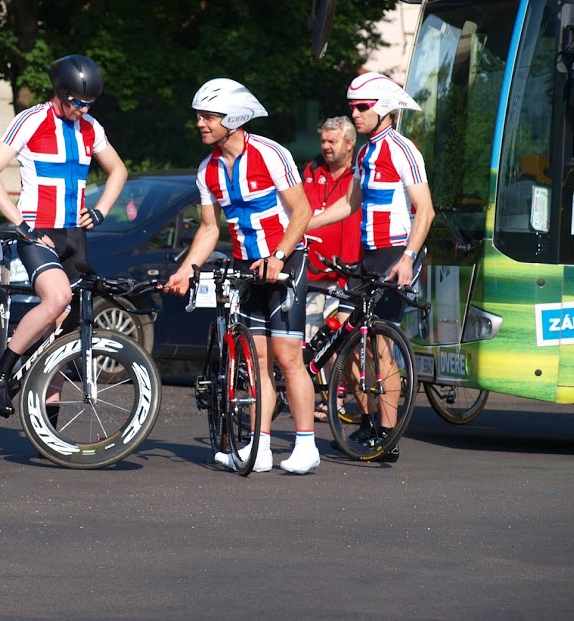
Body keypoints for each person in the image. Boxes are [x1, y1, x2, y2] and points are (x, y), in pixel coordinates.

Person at [165, 78, 318, 475]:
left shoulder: (270, 154)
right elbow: (209, 229)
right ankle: (260, 446)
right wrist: (185, 270)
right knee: (257, 360)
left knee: (288, 358)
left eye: (208, 116)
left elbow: (301, 212)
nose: (200, 123)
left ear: (233, 119)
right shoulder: (207, 169)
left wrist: (279, 256)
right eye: (198, 116)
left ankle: (306, 445)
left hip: (287, 260)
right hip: (246, 266)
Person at [0, 54, 127, 425]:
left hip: (74, 235)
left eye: (89, 103)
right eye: (76, 101)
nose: (82, 109)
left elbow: (119, 170)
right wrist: (19, 222)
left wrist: (102, 209)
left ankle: (49, 432)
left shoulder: (91, 127)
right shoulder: (31, 120)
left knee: (66, 334)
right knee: (57, 297)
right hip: (37, 232)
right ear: (59, 92)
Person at [306, 72, 435, 462]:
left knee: (381, 347)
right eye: (352, 108)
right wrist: (300, 225)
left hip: (395, 252)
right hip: (366, 256)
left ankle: (387, 437)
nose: (355, 114)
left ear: (382, 109)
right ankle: (368, 423)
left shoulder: (402, 149)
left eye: (362, 108)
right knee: (346, 339)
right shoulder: (364, 152)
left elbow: (425, 210)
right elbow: (348, 204)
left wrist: (409, 259)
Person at [302, 116, 362, 421]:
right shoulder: (312, 171)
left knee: (342, 337)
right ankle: (330, 395)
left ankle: (340, 396)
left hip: (348, 271)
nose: (325, 146)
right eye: (323, 141)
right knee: (315, 338)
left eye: (332, 141)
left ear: (349, 144)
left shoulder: (359, 174)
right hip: (314, 270)